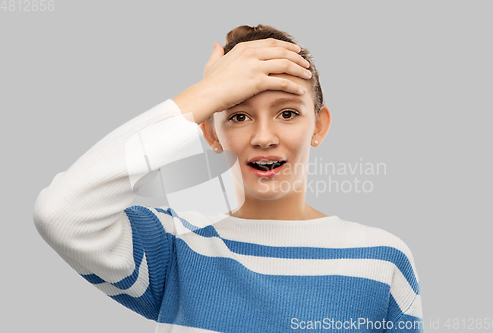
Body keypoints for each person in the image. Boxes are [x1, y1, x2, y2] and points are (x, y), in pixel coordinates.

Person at [33, 25, 424, 332]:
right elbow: (61, 214)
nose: (264, 136)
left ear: (319, 126)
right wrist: (204, 94)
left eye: (287, 113)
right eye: (238, 115)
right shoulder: (176, 249)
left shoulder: (381, 260)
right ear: (211, 133)